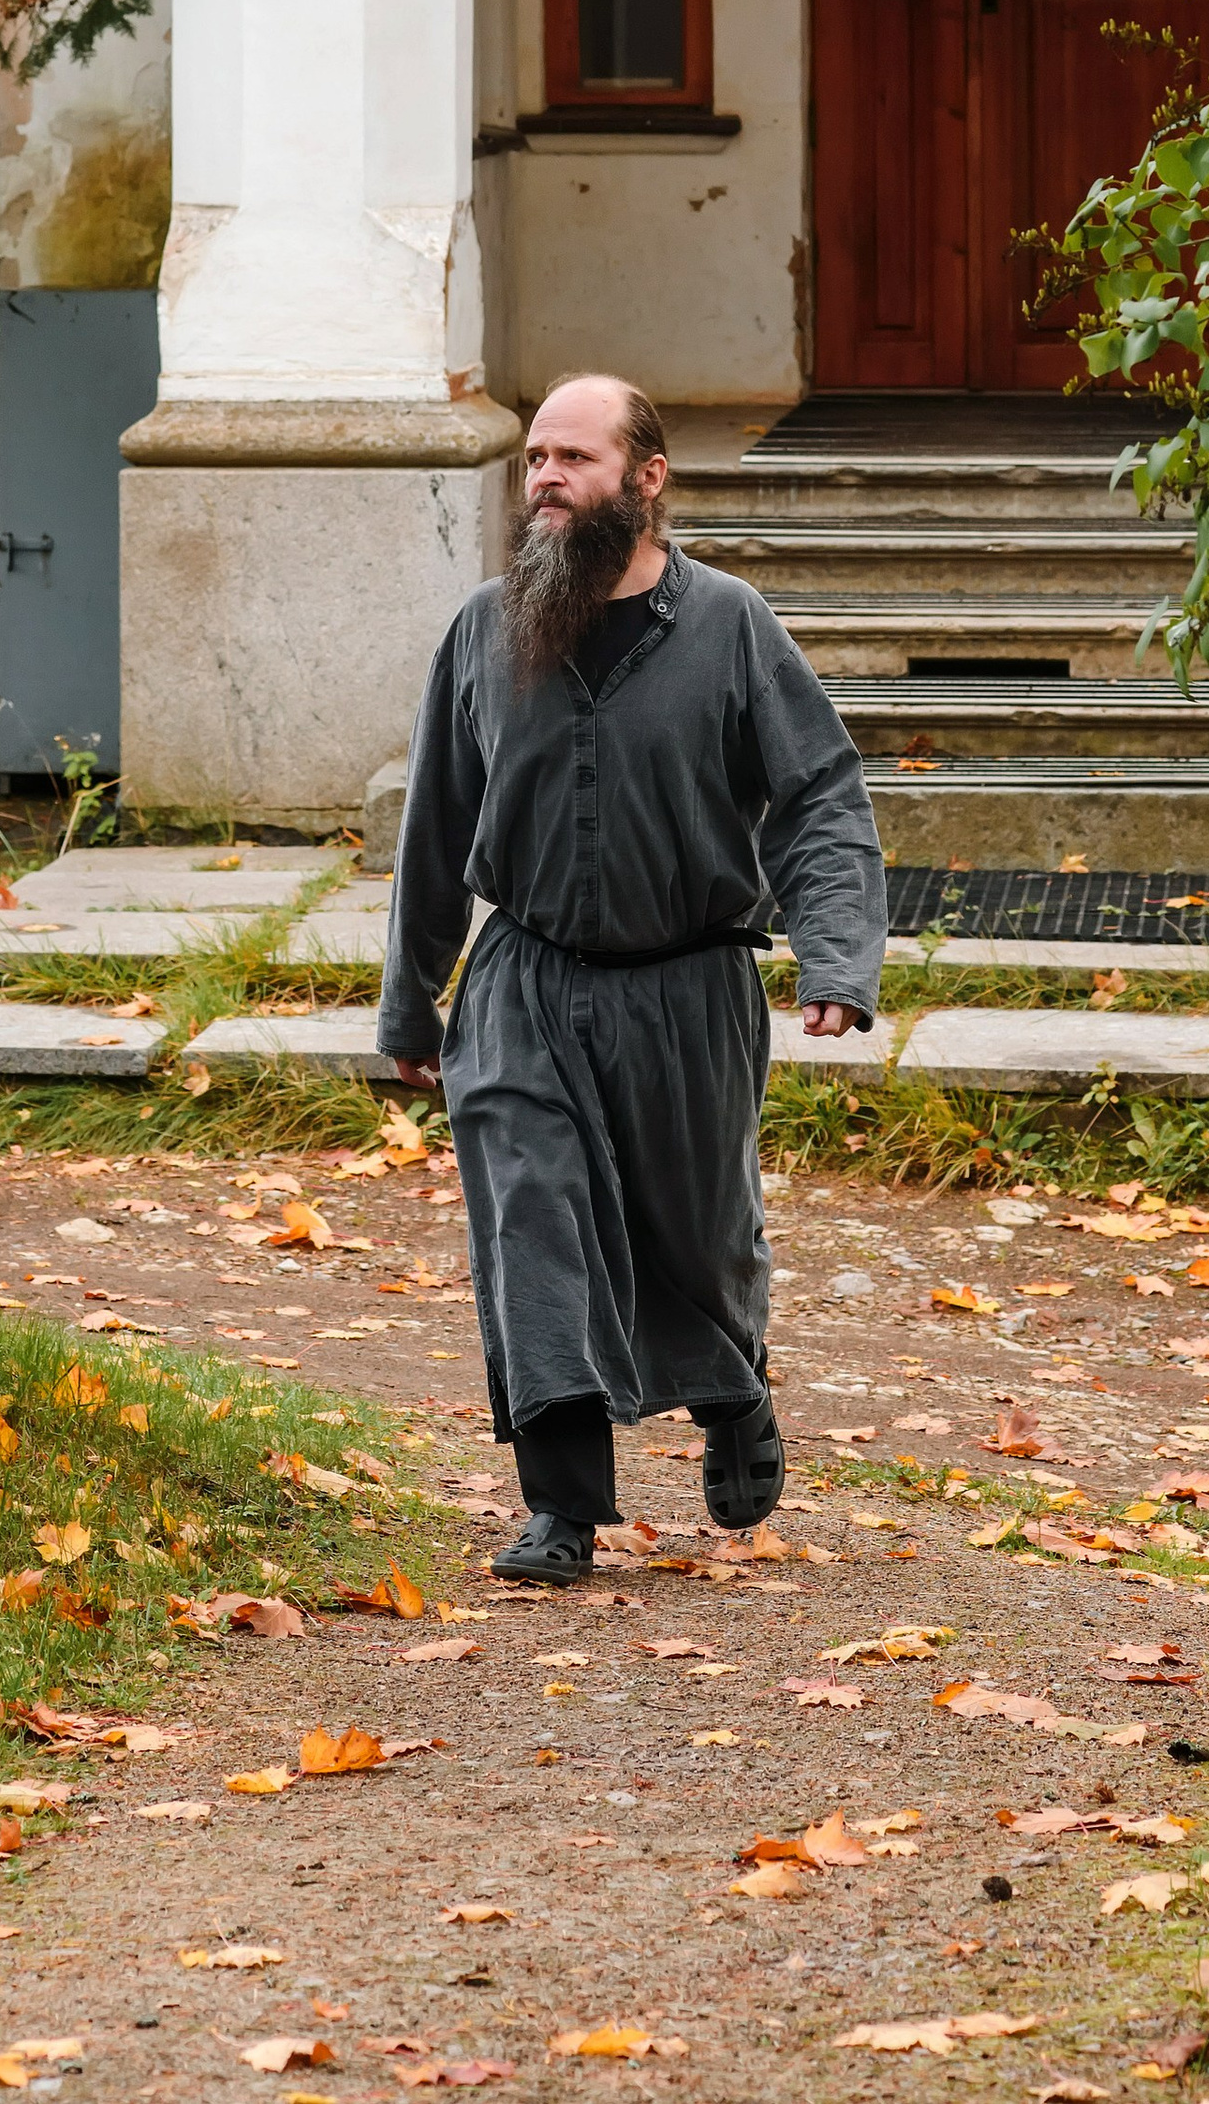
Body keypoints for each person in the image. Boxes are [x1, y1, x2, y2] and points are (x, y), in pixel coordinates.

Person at [378, 374, 886, 1587]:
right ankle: (560, 1505)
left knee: (697, 1236)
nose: (545, 477)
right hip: (523, 983)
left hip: (687, 984)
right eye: (534, 458)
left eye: (574, 457)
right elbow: (435, 820)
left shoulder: (731, 624)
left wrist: (834, 953)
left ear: (645, 478)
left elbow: (818, 793)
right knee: (531, 1222)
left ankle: (733, 1387)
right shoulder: (482, 629)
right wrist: (412, 995)